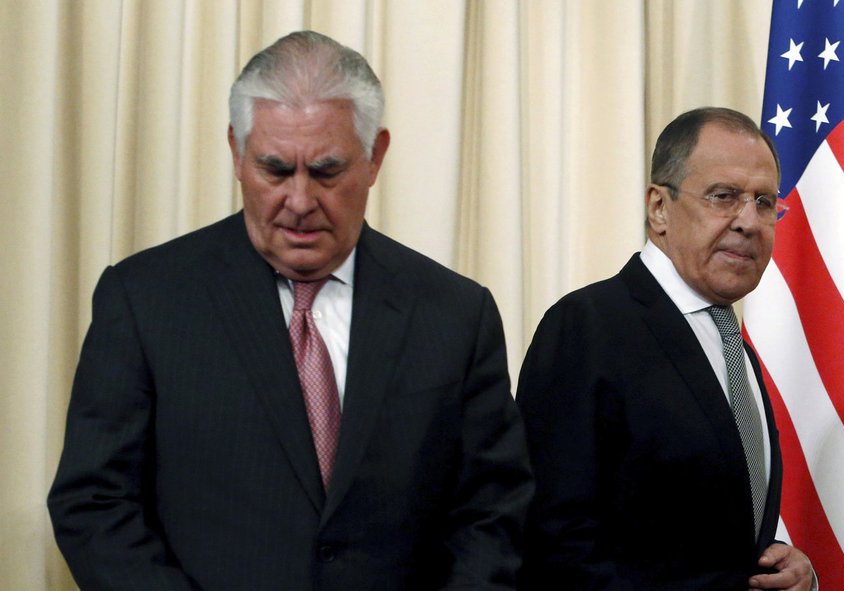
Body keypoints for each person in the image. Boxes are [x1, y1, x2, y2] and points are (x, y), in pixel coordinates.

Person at [48, 30, 533, 591]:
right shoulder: (145, 300)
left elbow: (491, 512)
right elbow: (95, 502)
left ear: (375, 156)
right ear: (236, 151)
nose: (300, 202)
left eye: (327, 172)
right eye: (275, 170)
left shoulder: (454, 314)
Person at [516, 107, 815, 590]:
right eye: (724, 196)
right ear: (659, 207)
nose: (748, 221)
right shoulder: (588, 327)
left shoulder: (731, 344)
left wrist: (784, 568)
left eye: (764, 202)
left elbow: (712, 528)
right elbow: (554, 543)